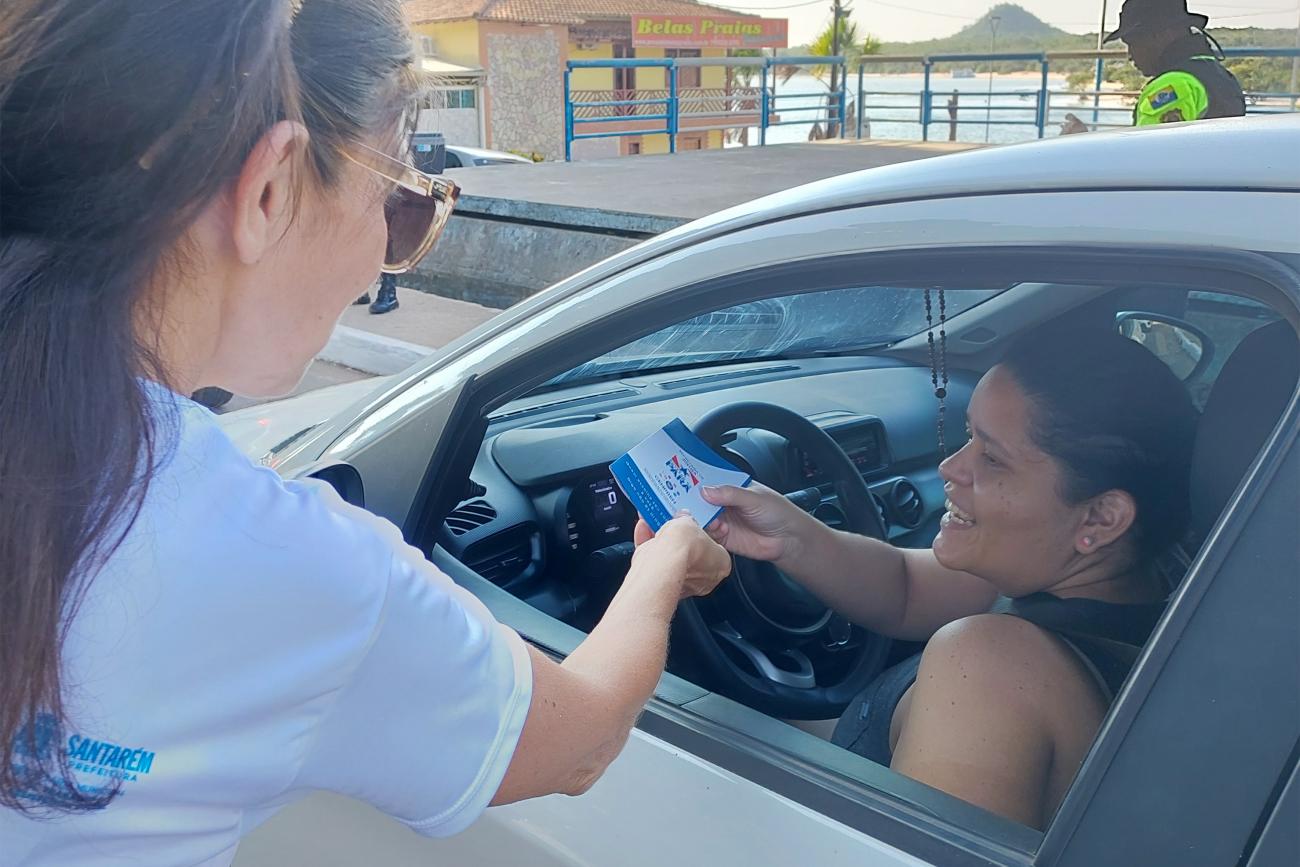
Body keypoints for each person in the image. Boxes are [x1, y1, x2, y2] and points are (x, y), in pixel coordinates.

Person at [0, 2, 731, 864]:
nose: (378, 260)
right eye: (395, 199)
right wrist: (664, 563)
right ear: (270, 187)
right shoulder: (282, 561)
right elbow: (582, 741)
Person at [695, 329, 1198, 830]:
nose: (950, 467)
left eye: (992, 458)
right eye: (968, 435)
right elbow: (905, 588)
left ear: (1101, 518)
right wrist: (789, 537)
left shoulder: (992, 667)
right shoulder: (1161, 583)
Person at [1103, 0, 1245, 126]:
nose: (1130, 55)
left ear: (1161, 35)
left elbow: (1149, 147)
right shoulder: (1220, 76)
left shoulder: (1173, 85)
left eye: (1133, 43)